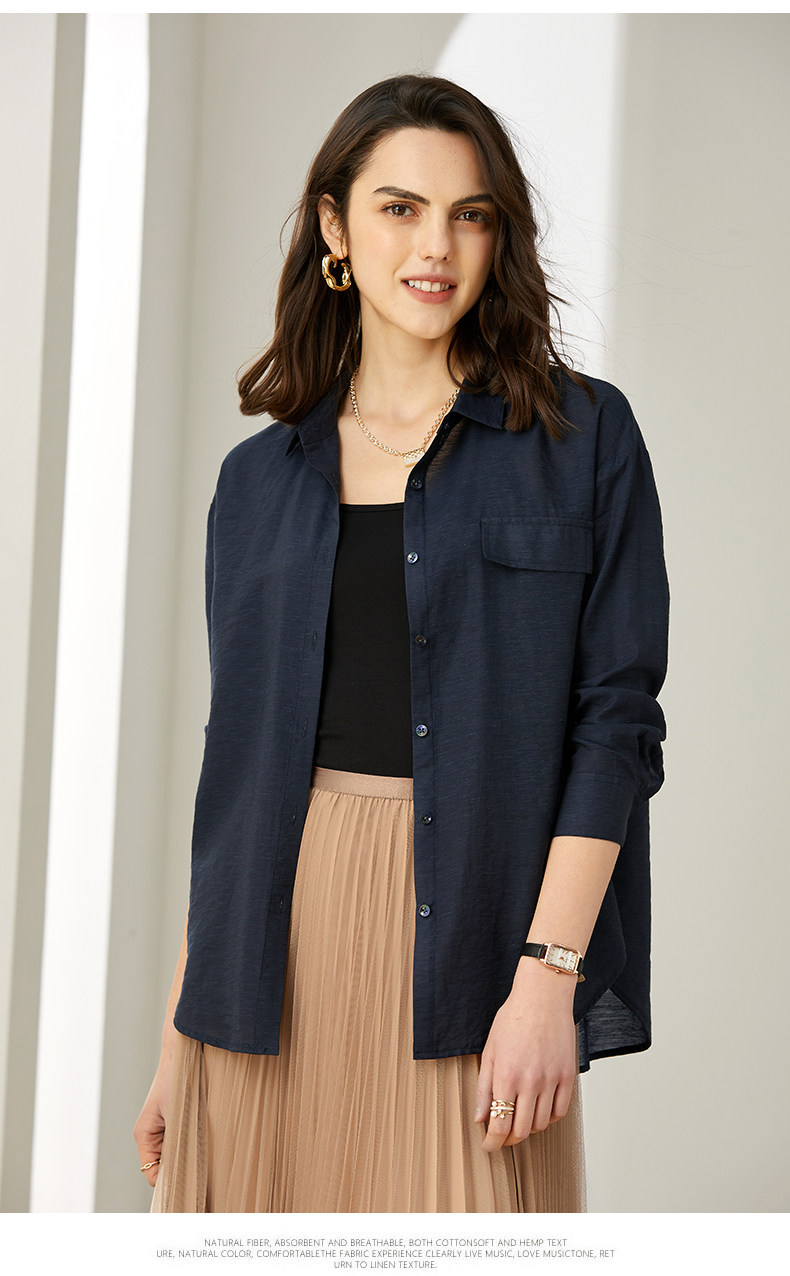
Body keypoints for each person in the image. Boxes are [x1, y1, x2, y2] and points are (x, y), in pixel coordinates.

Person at [134, 73, 669, 1214]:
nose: (436, 246)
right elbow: (239, 768)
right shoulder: (257, 481)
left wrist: (549, 980)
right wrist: (181, 1031)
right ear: (334, 226)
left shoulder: (580, 439)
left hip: (476, 938)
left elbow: (615, 727)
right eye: (399, 208)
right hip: (269, 950)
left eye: (470, 214)